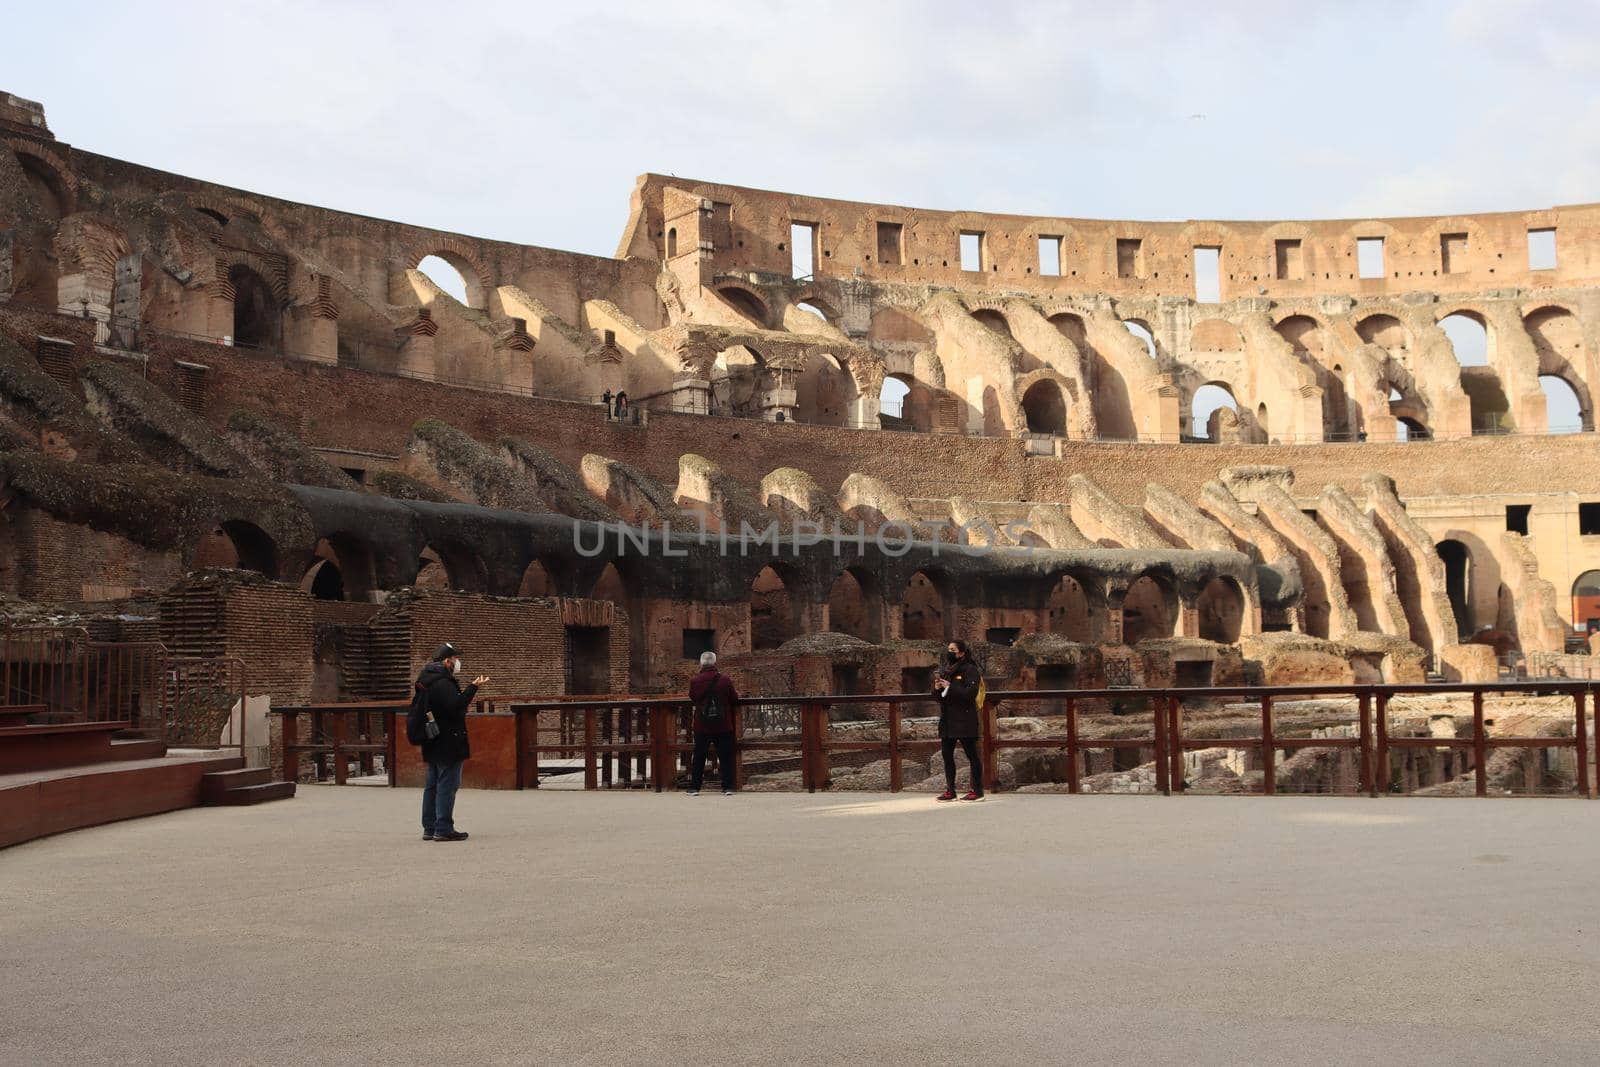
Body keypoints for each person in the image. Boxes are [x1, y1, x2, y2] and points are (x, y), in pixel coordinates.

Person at [417, 642, 488, 841]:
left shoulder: (426, 678)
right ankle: (443, 828)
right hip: (448, 738)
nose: (458, 662)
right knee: (447, 783)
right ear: (447, 661)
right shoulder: (443, 682)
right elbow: (455, 706)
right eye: (456, 658)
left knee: (432, 783)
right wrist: (472, 688)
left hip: (432, 736)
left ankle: (429, 827)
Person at [932, 639, 984, 801]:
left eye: (953, 649)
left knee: (972, 756)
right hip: (947, 721)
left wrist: (950, 686)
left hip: (965, 720)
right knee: (947, 756)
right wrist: (937, 689)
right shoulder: (946, 671)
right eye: (948, 649)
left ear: (961, 652)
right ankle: (950, 791)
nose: (950, 652)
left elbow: (969, 694)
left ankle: (977, 791)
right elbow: (940, 699)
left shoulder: (970, 670)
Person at [687, 650, 738, 795]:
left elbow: (693, 697)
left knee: (699, 756)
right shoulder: (725, 680)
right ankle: (727, 787)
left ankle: (694, 787)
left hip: (702, 724)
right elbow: (734, 698)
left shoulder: (695, 681)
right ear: (715, 662)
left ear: (701, 663)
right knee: (725, 756)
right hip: (723, 724)